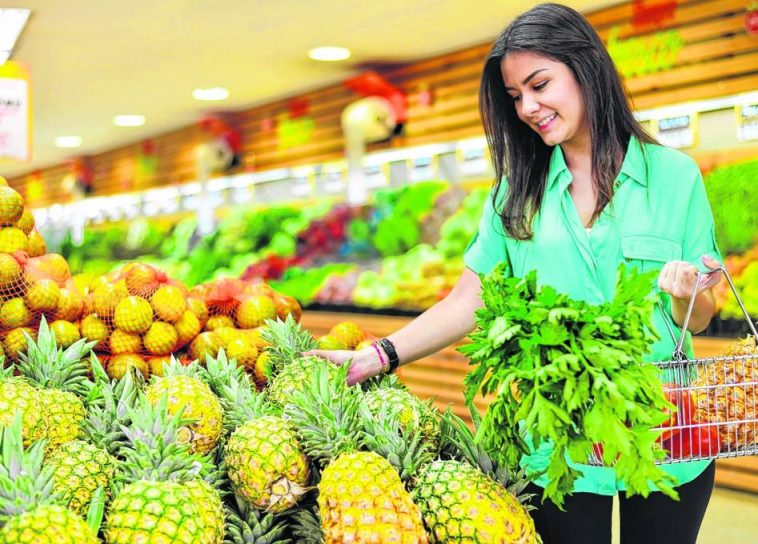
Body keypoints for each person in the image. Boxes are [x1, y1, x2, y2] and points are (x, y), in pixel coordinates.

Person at [307, 4, 723, 543]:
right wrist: (380, 354)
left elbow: (701, 319)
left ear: (586, 67)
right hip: (559, 440)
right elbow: (468, 300)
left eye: (539, 84)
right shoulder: (515, 193)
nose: (528, 107)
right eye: (515, 96)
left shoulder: (675, 177)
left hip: (666, 429)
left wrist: (689, 295)